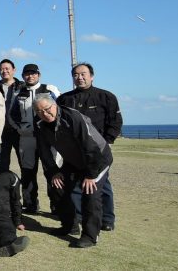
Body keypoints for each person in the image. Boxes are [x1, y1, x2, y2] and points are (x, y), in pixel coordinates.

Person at [34, 94, 113, 248]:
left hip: (98, 159)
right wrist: (53, 172)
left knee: (90, 192)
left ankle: (90, 236)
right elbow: (44, 153)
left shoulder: (73, 118)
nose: (44, 113)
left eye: (47, 109)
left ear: (55, 105)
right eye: (39, 111)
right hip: (73, 161)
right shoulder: (41, 126)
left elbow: (92, 147)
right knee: (57, 185)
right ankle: (70, 225)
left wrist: (90, 175)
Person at [57, 62, 122, 231]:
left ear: (91, 76)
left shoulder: (106, 97)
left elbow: (115, 122)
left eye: (83, 74)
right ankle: (78, 217)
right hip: (74, 150)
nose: (80, 77)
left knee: (102, 183)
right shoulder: (65, 99)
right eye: (76, 75)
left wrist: (107, 141)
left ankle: (107, 219)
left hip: (98, 150)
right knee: (75, 184)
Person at [8, 63, 60, 214]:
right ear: (23, 76)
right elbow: (11, 115)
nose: (30, 76)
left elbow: (61, 108)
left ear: (38, 74)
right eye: (27, 74)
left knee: (52, 170)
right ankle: (30, 204)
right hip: (27, 138)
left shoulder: (50, 89)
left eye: (33, 73)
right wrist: (20, 129)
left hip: (49, 139)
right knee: (28, 172)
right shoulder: (19, 93)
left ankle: (57, 205)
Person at [0, 59, 24, 172]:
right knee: (2, 164)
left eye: (7, 68)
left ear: (14, 70)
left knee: (24, 163)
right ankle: (4, 189)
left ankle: (27, 189)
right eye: (1, 69)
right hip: (1, 131)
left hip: (19, 131)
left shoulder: (23, 86)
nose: (4, 71)